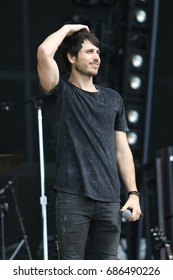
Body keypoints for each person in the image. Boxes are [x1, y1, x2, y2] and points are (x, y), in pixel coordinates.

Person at [37, 24, 142, 260]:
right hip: (72, 196)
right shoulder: (61, 92)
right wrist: (67, 29)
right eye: (89, 52)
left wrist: (133, 193)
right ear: (72, 57)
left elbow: (122, 150)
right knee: (71, 270)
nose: (96, 57)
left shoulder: (113, 98)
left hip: (109, 199)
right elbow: (44, 52)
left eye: (98, 53)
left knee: (107, 270)